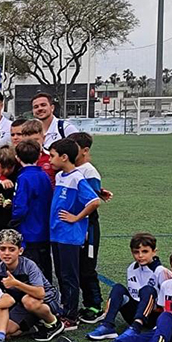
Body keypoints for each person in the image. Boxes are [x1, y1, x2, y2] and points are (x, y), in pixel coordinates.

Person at [48, 138, 100, 326]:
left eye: (52, 156)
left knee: (70, 275)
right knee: (62, 273)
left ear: (64, 157)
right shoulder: (61, 175)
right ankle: (66, 308)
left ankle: (71, 316)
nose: (50, 160)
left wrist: (76, 217)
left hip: (69, 236)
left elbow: (94, 201)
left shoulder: (77, 177)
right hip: (57, 233)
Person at [86, 233, 170, 341]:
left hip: (154, 317)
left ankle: (136, 328)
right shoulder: (131, 268)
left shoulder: (161, 271)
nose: (140, 255)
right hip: (133, 313)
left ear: (154, 251)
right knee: (118, 288)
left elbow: (169, 300)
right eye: (136, 252)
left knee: (147, 290)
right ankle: (107, 326)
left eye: (145, 251)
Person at [0, 229, 64, 342]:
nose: (6, 253)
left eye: (11, 249)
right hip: (22, 302)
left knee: (29, 301)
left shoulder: (29, 265)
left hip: (46, 298)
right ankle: (34, 323)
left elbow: (40, 293)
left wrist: (16, 283)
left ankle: (54, 323)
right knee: (6, 330)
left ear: (20, 251)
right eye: (2, 249)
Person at [71, 131, 107, 322]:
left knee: (87, 267)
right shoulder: (71, 169)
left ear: (84, 150)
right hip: (74, 225)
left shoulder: (89, 171)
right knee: (75, 266)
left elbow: (91, 200)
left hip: (88, 227)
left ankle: (94, 305)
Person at [10, 140, 52, 280]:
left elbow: (21, 207)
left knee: (31, 271)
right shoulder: (44, 175)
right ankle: (49, 298)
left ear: (17, 158)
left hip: (28, 232)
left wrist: (12, 221)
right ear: (39, 156)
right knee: (45, 268)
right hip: (44, 230)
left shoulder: (23, 178)